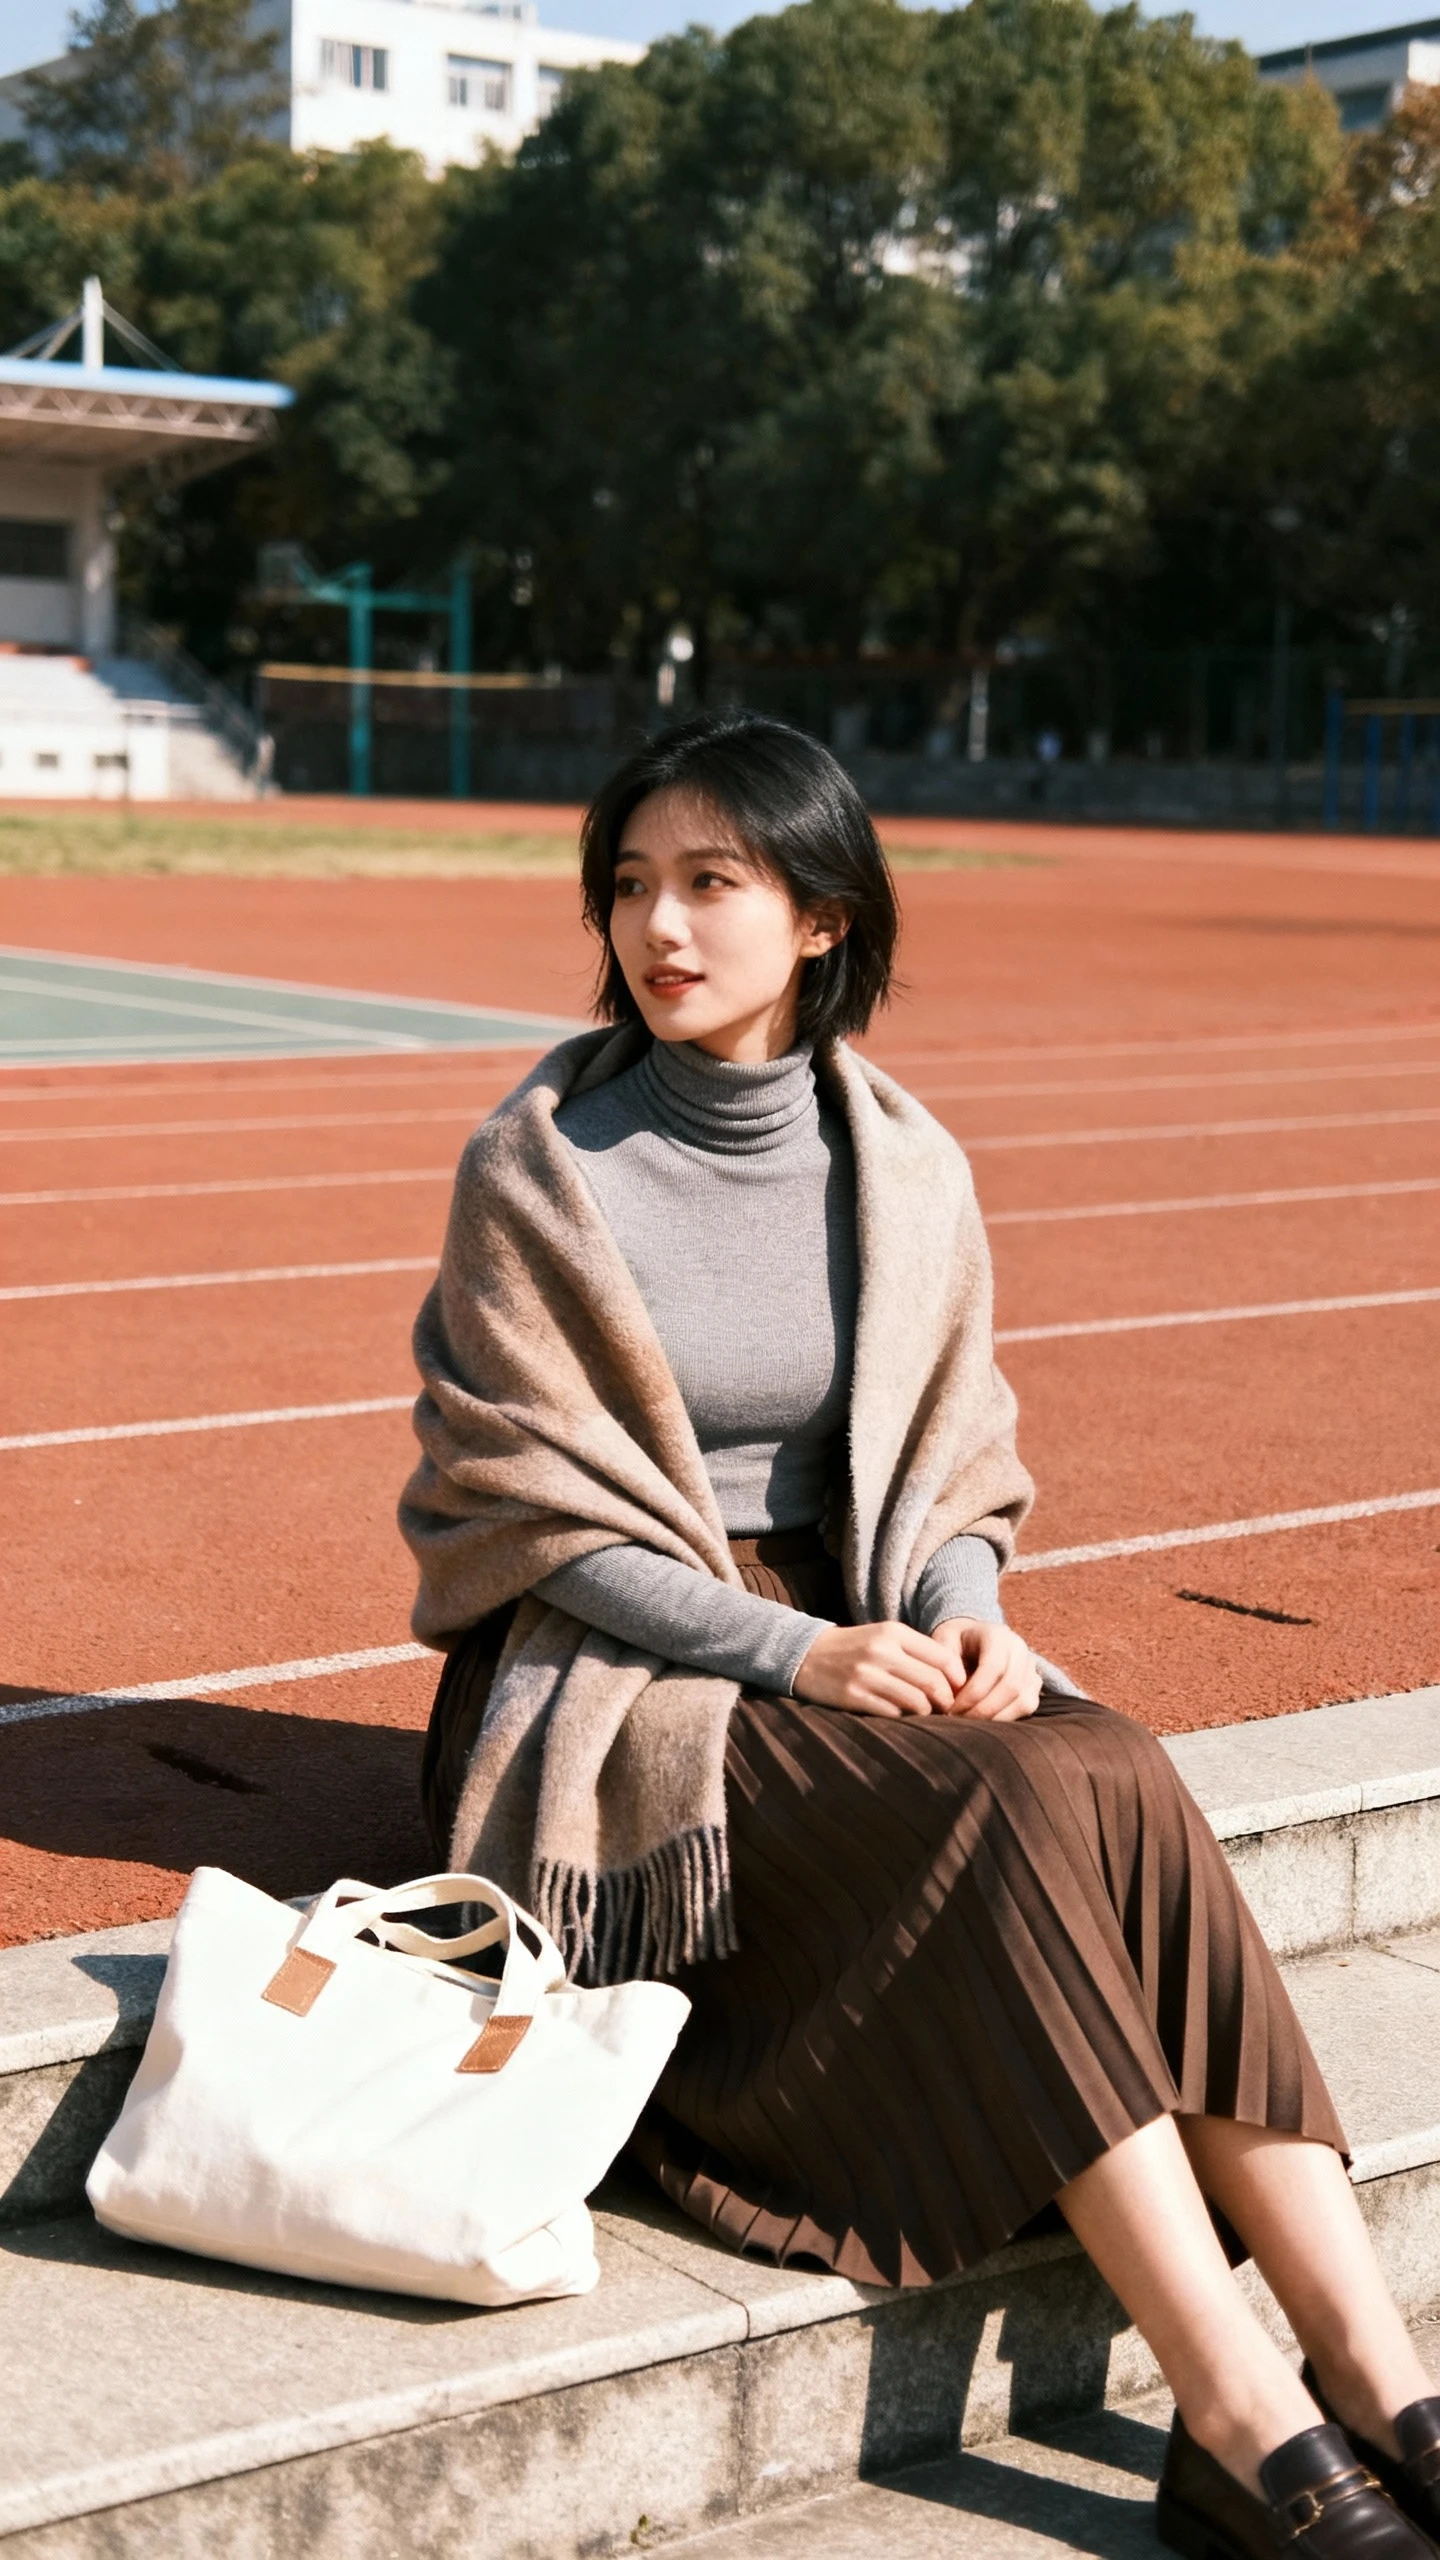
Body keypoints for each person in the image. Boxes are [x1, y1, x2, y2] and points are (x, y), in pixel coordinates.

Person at [401, 713, 1439, 2560]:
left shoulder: (903, 1157)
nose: (663, 925)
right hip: (612, 1669)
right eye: (632, 885)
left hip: (860, 1618)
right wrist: (792, 1658)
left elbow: (958, 1460)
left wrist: (969, 1621)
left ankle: (1380, 2369)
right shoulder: (545, 1160)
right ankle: (1238, 2406)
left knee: (1103, 1757)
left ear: (821, 916)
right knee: (1007, 1814)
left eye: (713, 882)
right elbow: (527, 1515)